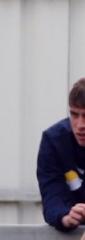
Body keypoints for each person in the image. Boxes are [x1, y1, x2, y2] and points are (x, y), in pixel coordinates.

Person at [37, 79, 85, 231]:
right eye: (74, 115)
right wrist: (66, 217)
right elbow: (52, 195)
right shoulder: (54, 141)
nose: (80, 125)